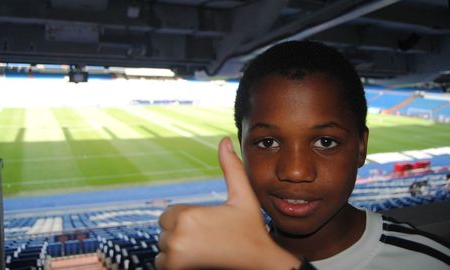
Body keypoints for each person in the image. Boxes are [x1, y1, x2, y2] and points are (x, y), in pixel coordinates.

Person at [155, 41, 450, 269]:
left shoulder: (431, 262)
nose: (295, 171)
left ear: (361, 147)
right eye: (268, 142)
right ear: (241, 148)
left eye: (325, 141)